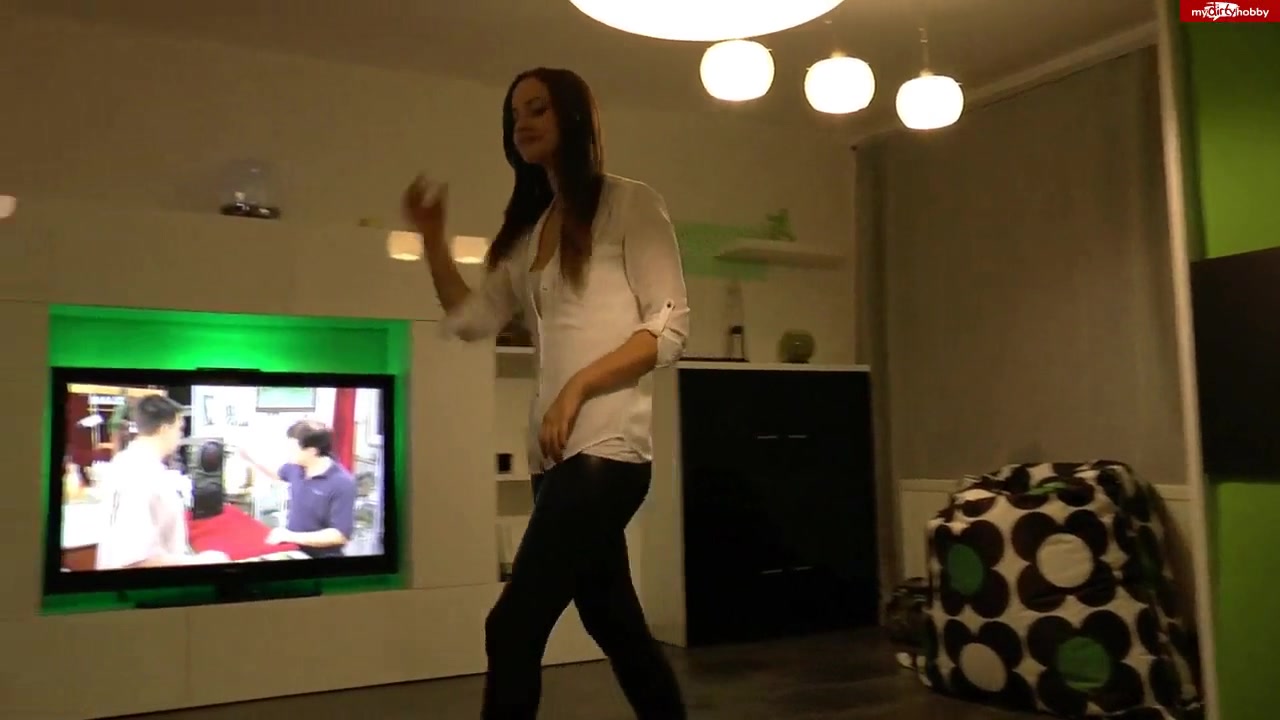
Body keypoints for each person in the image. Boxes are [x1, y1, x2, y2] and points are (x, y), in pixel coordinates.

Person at [402, 67, 690, 719]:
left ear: (573, 117)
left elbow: (669, 329)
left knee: (511, 627)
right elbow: (472, 318)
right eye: (514, 115)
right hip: (554, 459)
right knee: (615, 626)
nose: (522, 123)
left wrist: (577, 389)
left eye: (537, 109)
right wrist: (431, 239)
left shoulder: (631, 204)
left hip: (607, 454)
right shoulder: (533, 233)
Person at [95, 394, 230, 569]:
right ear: (165, 429)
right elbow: (136, 558)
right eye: (179, 429)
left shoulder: (124, 463)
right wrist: (200, 561)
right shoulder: (141, 475)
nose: (179, 437)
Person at [240, 420, 357, 558]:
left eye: (294, 448)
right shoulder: (295, 467)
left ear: (312, 451)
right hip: (293, 549)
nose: (289, 452)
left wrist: (290, 536)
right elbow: (277, 474)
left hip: (322, 556)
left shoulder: (342, 483)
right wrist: (251, 459)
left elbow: (339, 535)